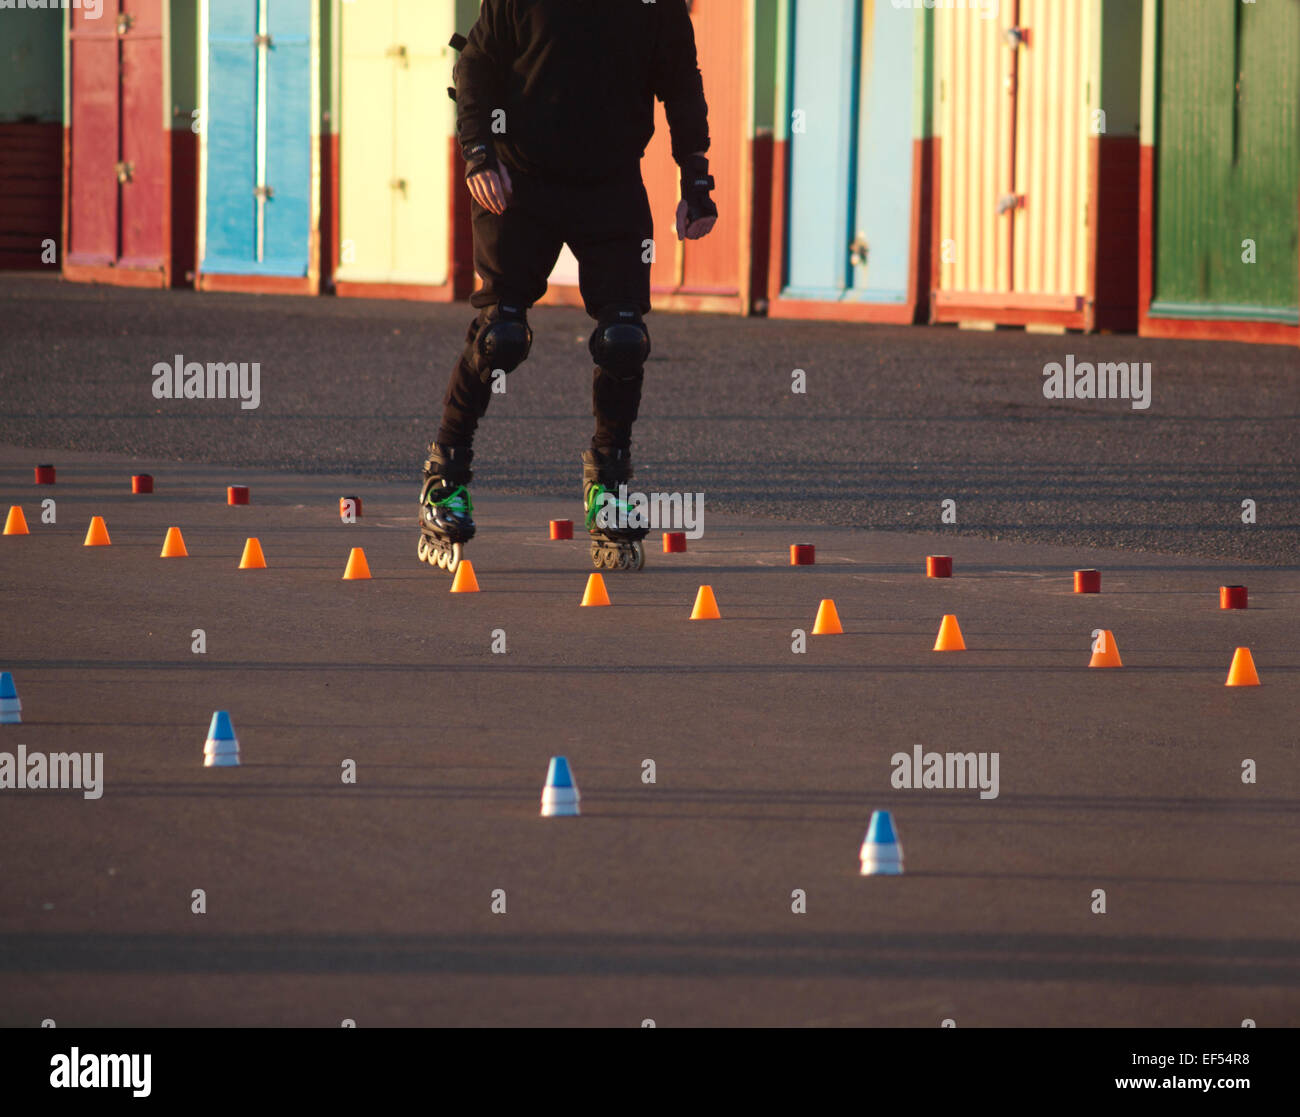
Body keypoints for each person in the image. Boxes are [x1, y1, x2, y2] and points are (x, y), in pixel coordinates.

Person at [417, 0, 717, 574]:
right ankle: (445, 477)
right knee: (501, 335)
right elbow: (476, 64)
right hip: (518, 178)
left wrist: (696, 176)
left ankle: (610, 485)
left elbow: (681, 82)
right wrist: (478, 152)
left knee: (624, 338)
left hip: (610, 184)